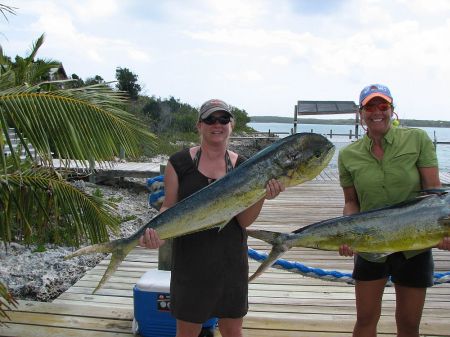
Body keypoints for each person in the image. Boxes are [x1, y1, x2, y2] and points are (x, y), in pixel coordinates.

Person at [139, 98, 285, 337]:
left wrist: (262, 195)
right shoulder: (178, 163)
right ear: (199, 125)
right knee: (186, 332)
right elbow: (168, 208)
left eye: (223, 119)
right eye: (210, 119)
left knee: (232, 331)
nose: (217, 124)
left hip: (230, 262)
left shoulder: (245, 167)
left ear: (232, 125)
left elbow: (244, 222)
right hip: (190, 263)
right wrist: (156, 236)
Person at [337, 84, 450, 337]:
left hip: (414, 248)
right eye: (370, 107)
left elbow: (434, 192)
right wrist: (347, 231)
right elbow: (351, 202)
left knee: (409, 324)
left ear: (392, 110)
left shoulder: (417, 139)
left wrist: (444, 232)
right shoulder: (347, 155)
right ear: (360, 113)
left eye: (383, 106)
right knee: (365, 319)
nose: (377, 112)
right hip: (370, 243)